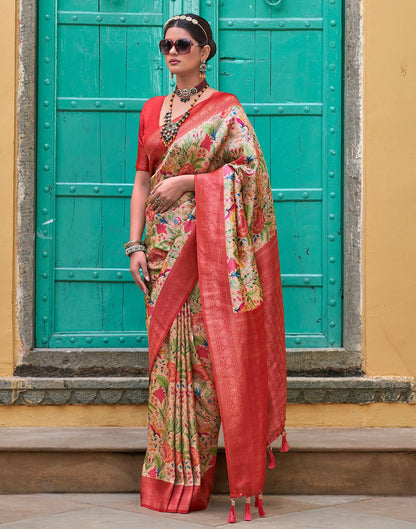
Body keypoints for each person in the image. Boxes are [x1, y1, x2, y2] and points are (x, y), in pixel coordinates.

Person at [127, 13, 289, 523]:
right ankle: (163, 479)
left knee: (199, 362)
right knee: (165, 366)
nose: (171, 51)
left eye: (182, 44)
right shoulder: (153, 111)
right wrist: (134, 245)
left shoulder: (226, 110)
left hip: (207, 255)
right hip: (160, 252)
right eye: (165, 44)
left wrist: (193, 182)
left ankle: (195, 481)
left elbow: (250, 173)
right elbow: (141, 183)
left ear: (204, 52)